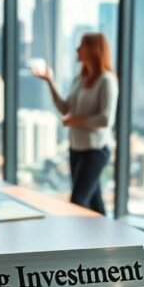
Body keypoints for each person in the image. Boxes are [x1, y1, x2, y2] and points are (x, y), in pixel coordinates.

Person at [31, 32, 118, 215]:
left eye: (82, 46)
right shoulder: (79, 79)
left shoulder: (107, 81)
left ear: (93, 50)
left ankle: (80, 243)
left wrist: (76, 121)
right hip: (76, 149)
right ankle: (108, 240)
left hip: (95, 151)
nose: (77, 49)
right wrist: (50, 82)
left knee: (77, 202)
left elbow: (106, 119)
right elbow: (64, 108)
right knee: (95, 204)